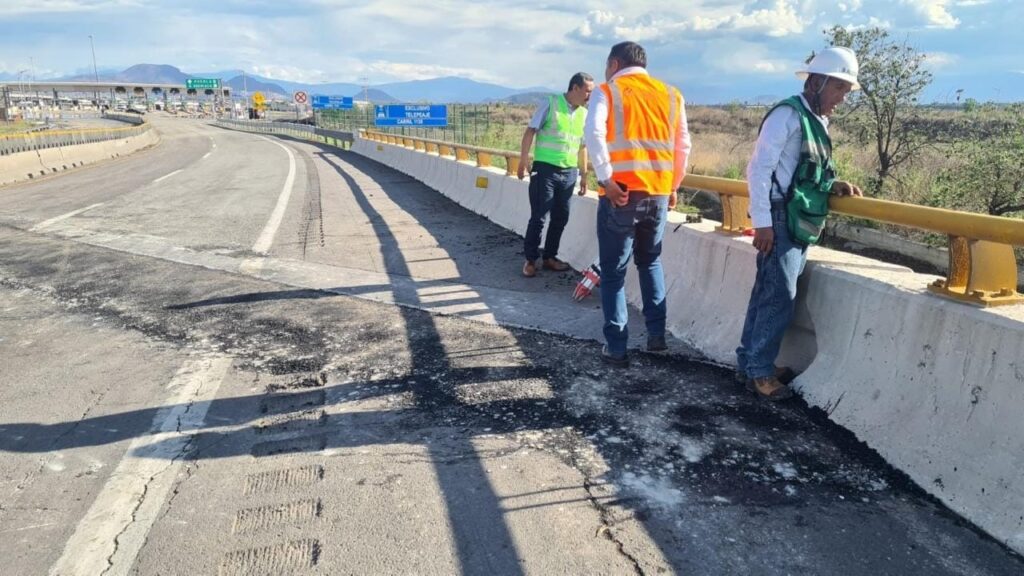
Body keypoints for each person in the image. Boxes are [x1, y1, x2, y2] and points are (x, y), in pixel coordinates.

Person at [736, 46, 864, 400]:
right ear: (819, 82)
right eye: (839, 88)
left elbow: (804, 171)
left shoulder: (816, 119)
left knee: (768, 292)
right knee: (779, 295)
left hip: (796, 215)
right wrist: (762, 222)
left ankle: (750, 362)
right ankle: (760, 373)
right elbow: (760, 169)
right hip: (779, 217)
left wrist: (832, 184)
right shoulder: (787, 115)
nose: (842, 98)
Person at [584, 41, 691, 367]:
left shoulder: (609, 91)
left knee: (614, 273)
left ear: (614, 63)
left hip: (622, 194)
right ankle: (656, 337)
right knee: (650, 262)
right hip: (658, 194)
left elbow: (593, 133)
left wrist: (606, 180)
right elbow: (683, 145)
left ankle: (616, 347)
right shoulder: (672, 95)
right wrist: (672, 186)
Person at [518, 72, 594, 277]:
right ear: (575, 88)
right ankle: (531, 260)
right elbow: (530, 131)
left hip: (569, 172)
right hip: (545, 170)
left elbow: (582, 146)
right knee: (539, 217)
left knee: (561, 217)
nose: (590, 96)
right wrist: (523, 159)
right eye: (587, 91)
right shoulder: (551, 103)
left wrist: (584, 175)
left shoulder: (584, 114)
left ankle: (550, 257)